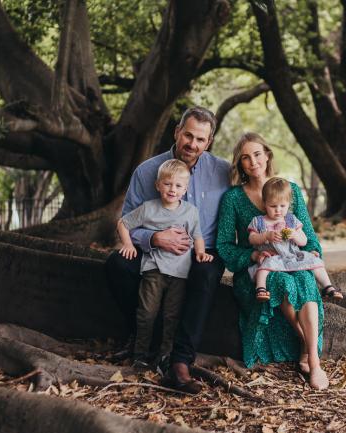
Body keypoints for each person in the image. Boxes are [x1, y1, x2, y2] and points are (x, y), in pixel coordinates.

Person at [105, 106, 230, 394]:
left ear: (208, 142)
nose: (192, 144)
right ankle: (146, 337)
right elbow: (129, 223)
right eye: (188, 135)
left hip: (202, 250)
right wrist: (155, 238)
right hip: (154, 252)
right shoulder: (148, 171)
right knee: (117, 266)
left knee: (207, 274)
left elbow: (250, 197)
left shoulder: (223, 171)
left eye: (200, 139)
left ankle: (180, 361)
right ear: (177, 132)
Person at [216, 132, 330, 390]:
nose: (252, 161)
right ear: (240, 164)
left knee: (303, 278)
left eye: (257, 154)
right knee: (280, 282)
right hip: (257, 272)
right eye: (245, 158)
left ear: (267, 155)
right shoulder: (233, 199)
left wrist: (311, 253)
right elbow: (224, 244)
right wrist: (252, 255)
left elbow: (309, 238)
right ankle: (308, 344)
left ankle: (313, 360)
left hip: (293, 261)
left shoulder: (290, 191)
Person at [116, 159, 214, 368]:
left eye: (178, 186)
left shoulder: (190, 211)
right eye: (168, 184)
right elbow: (123, 223)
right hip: (154, 271)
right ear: (158, 185)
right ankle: (140, 356)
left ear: (185, 189)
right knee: (147, 313)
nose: (172, 189)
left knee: (172, 315)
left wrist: (201, 253)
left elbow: (197, 236)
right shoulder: (149, 208)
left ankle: (165, 356)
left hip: (180, 273)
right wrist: (128, 245)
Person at [248, 177, 343, 303]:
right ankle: (261, 289)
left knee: (314, 261)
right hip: (272, 256)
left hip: (293, 255)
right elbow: (251, 238)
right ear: (265, 203)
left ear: (288, 204)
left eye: (282, 206)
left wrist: (294, 235)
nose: (278, 210)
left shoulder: (291, 220)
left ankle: (328, 287)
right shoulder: (259, 221)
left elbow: (303, 241)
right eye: (273, 206)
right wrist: (265, 236)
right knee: (264, 267)